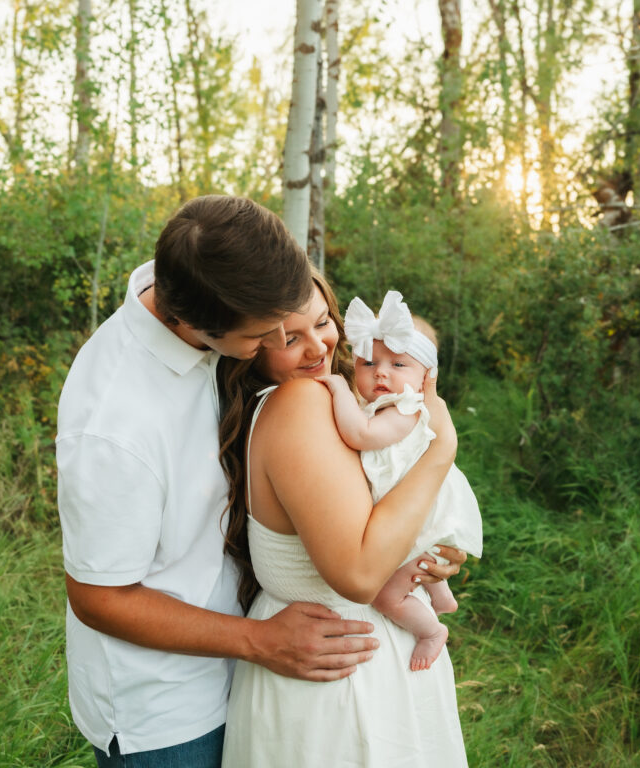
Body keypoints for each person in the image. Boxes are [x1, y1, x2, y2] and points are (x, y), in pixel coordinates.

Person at [57, 196, 429, 768]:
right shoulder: (115, 424)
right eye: (266, 337)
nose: (291, 345)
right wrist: (261, 642)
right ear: (201, 326)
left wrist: (418, 540)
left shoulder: (213, 276)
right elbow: (97, 596)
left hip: (258, 665)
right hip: (169, 713)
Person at [218, 274, 470, 767]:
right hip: (342, 664)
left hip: (366, 652)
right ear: (251, 348)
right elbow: (359, 574)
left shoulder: (350, 399)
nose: (317, 349)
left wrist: (431, 550)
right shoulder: (303, 402)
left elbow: (386, 511)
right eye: (290, 338)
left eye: (322, 323)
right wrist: (444, 447)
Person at [318, 290, 483, 672]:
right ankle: (440, 595)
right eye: (369, 362)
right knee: (414, 560)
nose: (381, 372)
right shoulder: (386, 405)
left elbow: (360, 436)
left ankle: (432, 631)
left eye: (398, 364)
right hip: (414, 511)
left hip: (418, 513)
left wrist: (339, 387)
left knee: (386, 596)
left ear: (427, 378)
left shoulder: (406, 409)